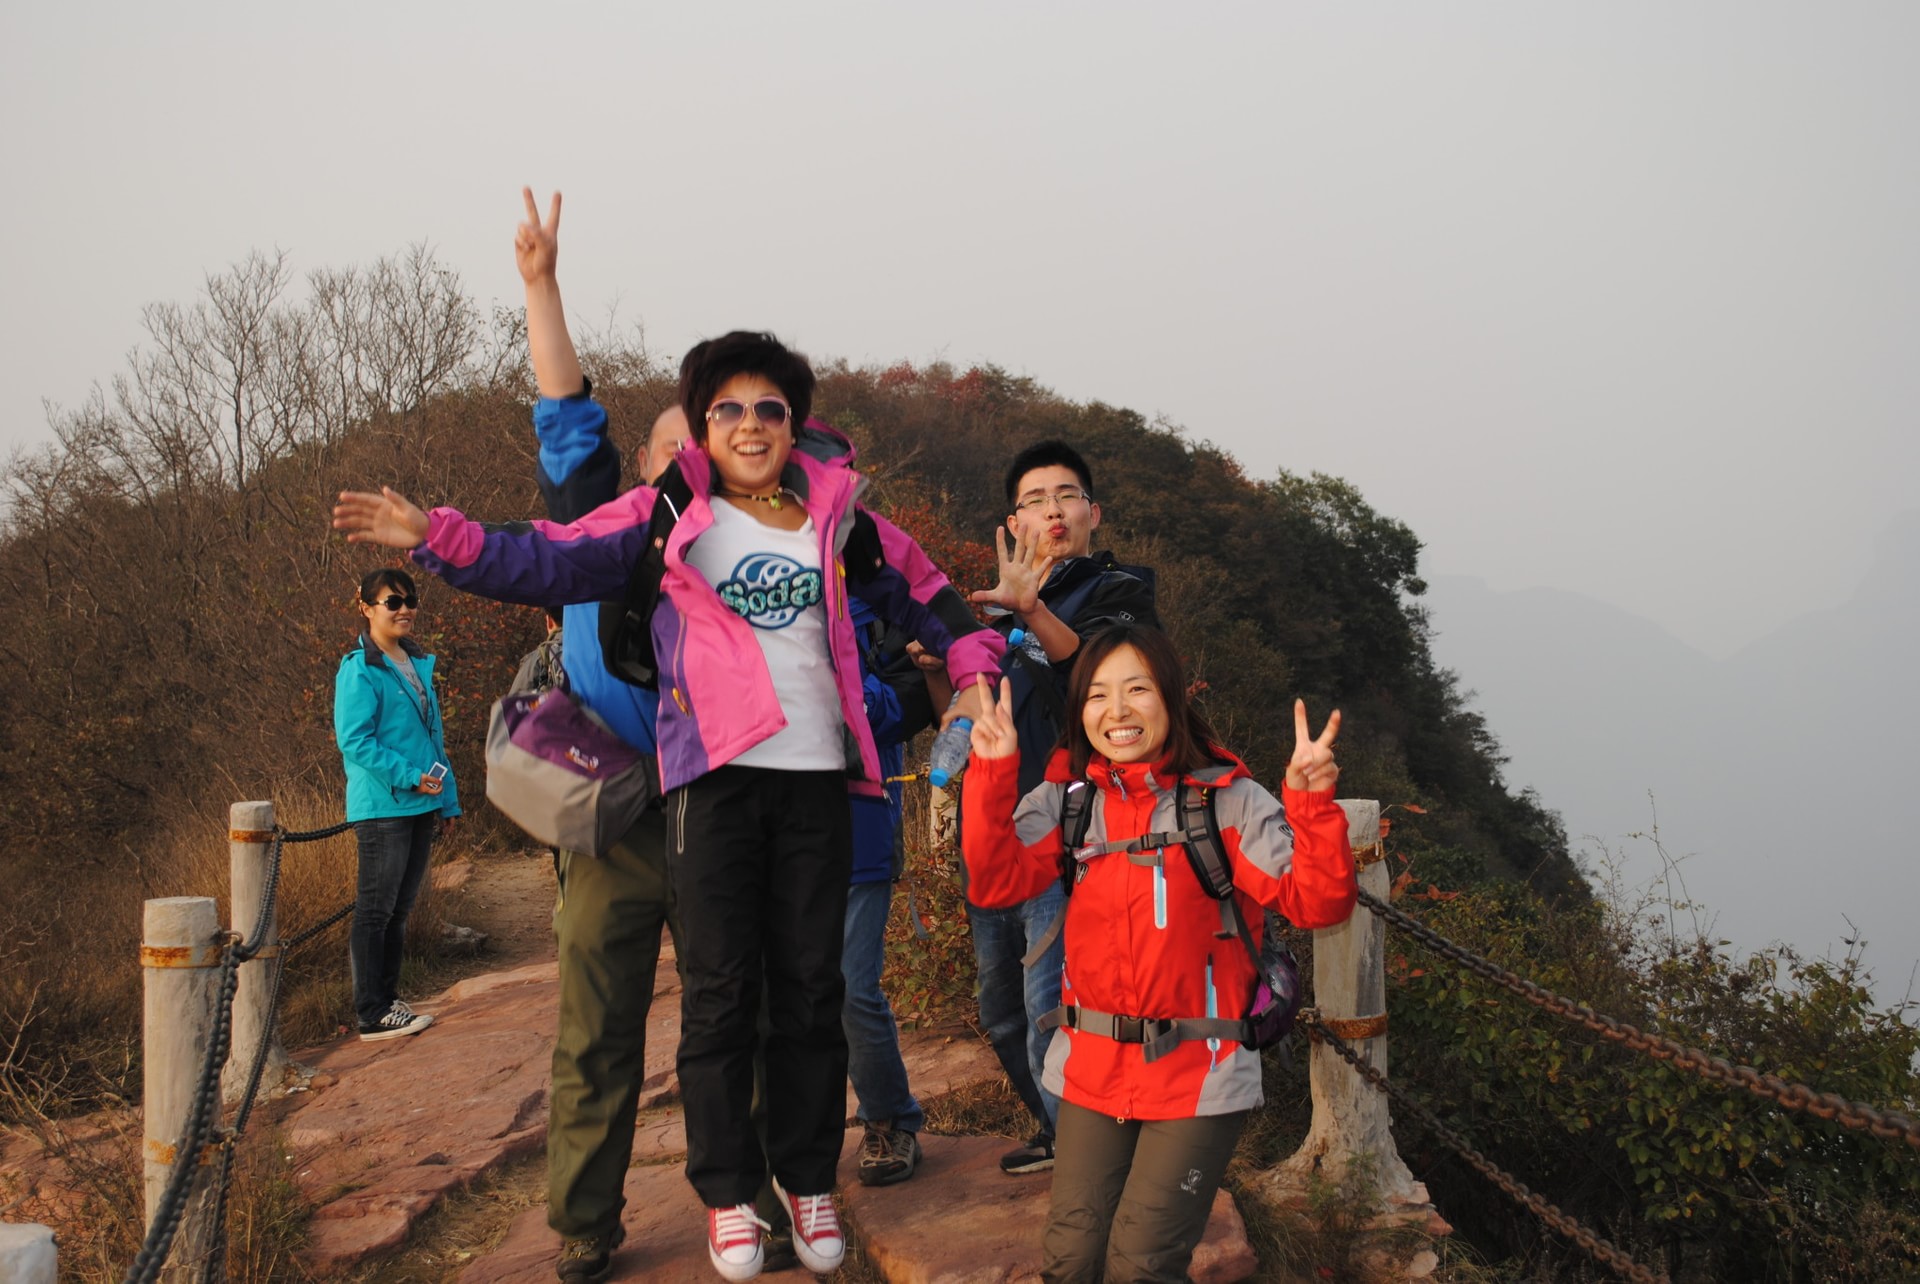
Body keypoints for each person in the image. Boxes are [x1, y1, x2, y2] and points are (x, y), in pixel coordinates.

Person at [332, 323, 1003, 1282]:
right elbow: (537, 535)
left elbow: (904, 612)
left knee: (786, 997)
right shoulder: (632, 526)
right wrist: (437, 533)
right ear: (675, 450)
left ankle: (785, 1190)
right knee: (632, 1021)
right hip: (632, 813)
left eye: (766, 408)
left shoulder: (822, 520)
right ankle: (607, 1218)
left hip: (783, 792)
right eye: (717, 414)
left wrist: (966, 673)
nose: (740, 427)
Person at [961, 623, 1356, 1282]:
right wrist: (994, 771)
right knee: (1069, 1261)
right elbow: (996, 881)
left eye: (1137, 689)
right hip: (1090, 1068)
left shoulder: (1227, 804)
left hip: (1199, 1074)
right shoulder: (1068, 805)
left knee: (1141, 1265)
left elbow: (1317, 904)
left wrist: (1312, 805)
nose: (1116, 712)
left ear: (1170, 699)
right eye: (1097, 695)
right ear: (1079, 710)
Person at [511, 191, 693, 1282]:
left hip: (724, 813)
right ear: (642, 468)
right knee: (593, 1032)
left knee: (739, 1025)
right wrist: (542, 286)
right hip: (614, 817)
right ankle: (585, 1224)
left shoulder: (750, 555)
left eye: (704, 447)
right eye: (669, 447)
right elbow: (566, 409)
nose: (686, 464)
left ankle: (747, 1197)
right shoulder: (597, 529)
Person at [965, 441, 1158, 1174]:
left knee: (1054, 1013)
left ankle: (1094, 1168)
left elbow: (1103, 683)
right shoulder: (997, 614)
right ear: (1014, 519)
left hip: (1073, 837)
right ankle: (1059, 1131)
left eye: (1066, 495)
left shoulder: (1123, 592)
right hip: (996, 832)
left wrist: (1032, 610)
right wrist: (938, 670)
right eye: (1035, 499)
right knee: (1001, 1013)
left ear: (1093, 512)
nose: (1052, 509)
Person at [333, 567, 461, 1042]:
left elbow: (434, 739)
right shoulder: (359, 667)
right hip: (383, 806)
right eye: (393, 602)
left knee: (399, 909)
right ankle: (372, 1011)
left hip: (420, 806)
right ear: (367, 607)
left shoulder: (416, 661)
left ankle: (388, 1001)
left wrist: (448, 801)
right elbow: (355, 741)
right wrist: (412, 778)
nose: (404, 609)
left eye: (410, 600)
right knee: (375, 910)